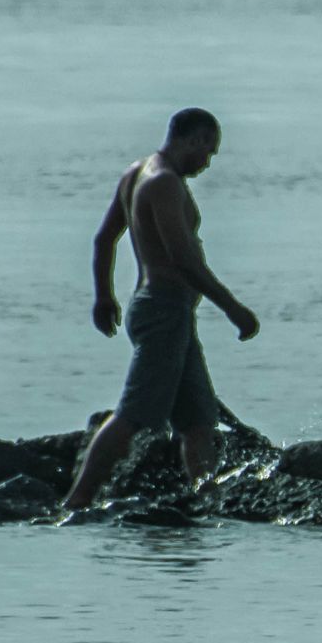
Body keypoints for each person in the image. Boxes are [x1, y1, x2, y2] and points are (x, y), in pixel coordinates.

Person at [61, 108, 261, 511]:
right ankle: (78, 499)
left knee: (197, 421)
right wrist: (232, 308)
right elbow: (183, 259)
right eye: (209, 151)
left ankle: (206, 498)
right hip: (164, 310)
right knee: (132, 415)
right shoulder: (164, 182)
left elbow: (104, 240)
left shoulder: (136, 172)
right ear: (195, 139)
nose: (207, 163)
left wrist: (104, 296)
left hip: (165, 311)